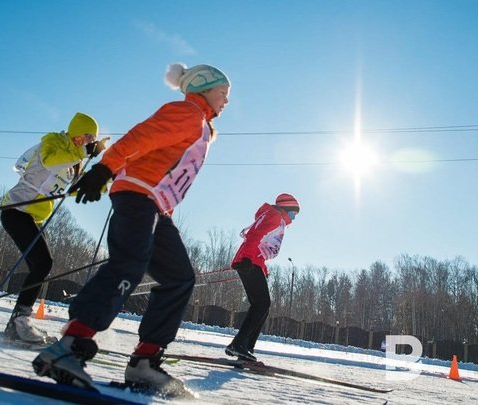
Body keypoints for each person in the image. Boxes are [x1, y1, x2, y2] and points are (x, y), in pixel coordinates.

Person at [33, 63, 231, 395]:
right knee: (130, 262)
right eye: (223, 93)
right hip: (138, 193)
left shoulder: (200, 125)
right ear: (203, 88)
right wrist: (105, 167)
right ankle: (69, 345)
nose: (226, 101)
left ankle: (145, 363)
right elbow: (143, 136)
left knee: (179, 277)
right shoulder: (186, 113)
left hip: (156, 205)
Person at [1, 112, 106, 344]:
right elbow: (50, 162)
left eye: (91, 140)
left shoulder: (74, 161)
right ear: (75, 132)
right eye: (85, 137)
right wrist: (85, 153)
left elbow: (72, 189)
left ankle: (17, 321)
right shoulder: (54, 142)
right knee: (43, 263)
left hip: (32, 217)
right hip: (17, 211)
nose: (87, 142)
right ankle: (19, 321)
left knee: (41, 266)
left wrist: (105, 179)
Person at [225, 193, 300, 362]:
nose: (293, 219)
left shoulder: (275, 218)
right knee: (262, 304)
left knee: (262, 306)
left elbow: (261, 247)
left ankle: (245, 347)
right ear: (286, 208)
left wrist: (263, 268)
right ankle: (239, 345)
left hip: (252, 261)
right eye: (293, 213)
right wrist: (246, 259)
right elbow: (255, 236)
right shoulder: (274, 216)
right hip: (249, 261)